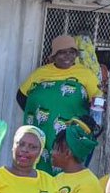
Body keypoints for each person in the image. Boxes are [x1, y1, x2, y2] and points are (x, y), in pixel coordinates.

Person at [16, 34, 102, 173]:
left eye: (71, 52)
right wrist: (36, 115)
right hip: (43, 132)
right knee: (41, 169)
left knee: (67, 168)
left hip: (70, 136)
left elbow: (98, 101)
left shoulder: (85, 74)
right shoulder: (41, 73)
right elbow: (21, 96)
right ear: (54, 56)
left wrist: (92, 125)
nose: (67, 56)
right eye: (62, 52)